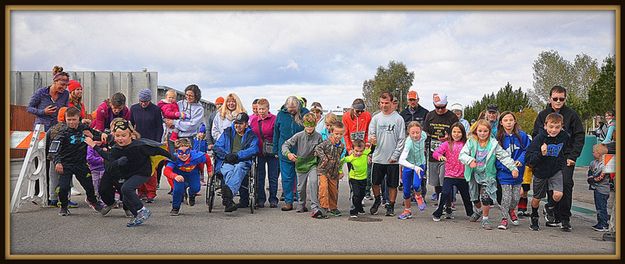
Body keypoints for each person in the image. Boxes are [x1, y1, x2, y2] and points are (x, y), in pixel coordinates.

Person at [85, 119, 172, 226]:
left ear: (130, 135)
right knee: (125, 196)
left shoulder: (138, 145)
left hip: (142, 172)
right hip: (123, 172)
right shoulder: (114, 145)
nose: (120, 138)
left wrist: (173, 158)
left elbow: (158, 150)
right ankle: (137, 216)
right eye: (117, 135)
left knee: (126, 189)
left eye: (123, 135)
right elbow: (107, 156)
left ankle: (142, 210)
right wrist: (94, 144)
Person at [531, 85, 584, 232]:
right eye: (555, 98)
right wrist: (540, 151)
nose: (558, 101)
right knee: (549, 187)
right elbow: (536, 134)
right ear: (550, 99)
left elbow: (579, 136)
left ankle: (564, 218)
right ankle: (551, 212)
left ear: (565, 99)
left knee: (566, 184)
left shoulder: (572, 115)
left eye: (561, 98)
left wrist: (573, 156)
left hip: (565, 157)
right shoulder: (542, 115)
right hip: (547, 156)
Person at [458, 119, 519, 230]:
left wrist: (513, 168)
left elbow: (504, 157)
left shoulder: (493, 144)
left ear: (489, 132)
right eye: (480, 131)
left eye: (485, 131)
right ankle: (478, 211)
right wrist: (470, 160)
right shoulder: (471, 142)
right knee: (474, 198)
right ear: (476, 131)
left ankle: (485, 219)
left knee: (485, 197)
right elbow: (462, 155)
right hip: (473, 173)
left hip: (488, 174)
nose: (482, 133)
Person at [51, 107, 104, 216]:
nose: (71, 122)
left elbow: (96, 135)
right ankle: (64, 207)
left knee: (89, 185)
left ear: (79, 118)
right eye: (68, 119)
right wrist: (57, 162)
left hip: (81, 164)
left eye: (74, 119)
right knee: (64, 187)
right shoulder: (62, 132)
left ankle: (93, 202)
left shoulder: (84, 128)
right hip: (66, 164)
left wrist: (101, 135)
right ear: (65, 119)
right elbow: (53, 149)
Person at [526, 113, 569, 231]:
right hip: (540, 172)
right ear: (545, 126)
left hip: (555, 171)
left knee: (558, 194)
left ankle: (549, 207)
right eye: (551, 127)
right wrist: (541, 153)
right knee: (536, 198)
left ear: (562, 126)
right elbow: (528, 159)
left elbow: (566, 150)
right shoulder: (539, 139)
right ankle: (534, 216)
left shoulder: (564, 136)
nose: (554, 130)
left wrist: (565, 160)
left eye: (557, 127)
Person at [368, 92, 406, 216]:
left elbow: (401, 139)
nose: (384, 105)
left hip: (392, 159)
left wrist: (395, 155)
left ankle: (391, 205)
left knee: (392, 184)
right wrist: (371, 140)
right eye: (382, 103)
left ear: (391, 103)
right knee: (375, 183)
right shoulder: (376, 118)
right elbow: (370, 135)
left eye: (386, 103)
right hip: (378, 157)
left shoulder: (398, 119)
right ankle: (378, 200)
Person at [213, 112, 259, 212]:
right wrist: (226, 155)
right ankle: (229, 199)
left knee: (239, 167)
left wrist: (238, 155)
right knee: (229, 170)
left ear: (246, 124)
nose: (237, 125)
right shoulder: (227, 132)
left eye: (241, 123)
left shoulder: (251, 135)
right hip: (227, 160)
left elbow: (254, 149)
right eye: (236, 123)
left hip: (242, 161)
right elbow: (217, 146)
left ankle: (228, 197)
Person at [431, 122, 474, 222]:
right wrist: (440, 156)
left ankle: (470, 213)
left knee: (466, 196)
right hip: (449, 174)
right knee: (445, 193)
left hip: (462, 175)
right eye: (454, 131)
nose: (456, 134)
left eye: (459, 132)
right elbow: (436, 152)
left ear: (463, 133)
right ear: (450, 133)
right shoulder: (447, 144)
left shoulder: (467, 144)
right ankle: (439, 212)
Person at [495, 111, 531, 230]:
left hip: (518, 173)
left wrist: (521, 161)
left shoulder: (522, 136)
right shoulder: (498, 137)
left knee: (516, 197)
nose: (509, 122)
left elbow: (527, 150)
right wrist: (506, 167)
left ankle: (511, 210)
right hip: (504, 173)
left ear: (515, 121)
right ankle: (504, 218)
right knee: (506, 197)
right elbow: (495, 155)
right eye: (505, 120)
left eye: (511, 120)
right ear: (501, 122)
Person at [282, 113, 323, 214]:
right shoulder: (298, 135)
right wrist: (289, 154)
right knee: (300, 187)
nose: (309, 128)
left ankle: (314, 206)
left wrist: (321, 164)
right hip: (300, 163)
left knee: (314, 182)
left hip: (312, 163)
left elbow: (322, 150)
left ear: (315, 124)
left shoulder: (318, 136)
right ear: (304, 125)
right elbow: (285, 145)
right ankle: (301, 204)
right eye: (307, 125)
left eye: (312, 125)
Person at [273, 96, 309, 211]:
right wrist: (275, 150)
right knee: (286, 178)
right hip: (284, 151)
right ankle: (288, 202)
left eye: (294, 108)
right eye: (290, 109)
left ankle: (301, 203)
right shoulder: (281, 115)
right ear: (286, 106)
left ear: (298, 106)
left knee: (301, 179)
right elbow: (276, 133)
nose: (292, 111)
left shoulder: (305, 114)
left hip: (301, 151)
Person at [423, 93, 459, 205]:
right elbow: (426, 131)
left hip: (448, 151)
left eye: (442, 107)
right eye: (437, 107)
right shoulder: (430, 115)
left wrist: (449, 137)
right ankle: (439, 199)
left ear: (446, 105)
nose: (439, 110)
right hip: (433, 150)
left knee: (445, 178)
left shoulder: (452, 116)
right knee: (435, 180)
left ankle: (448, 202)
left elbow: (458, 132)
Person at [130, 88, 165, 203]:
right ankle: (141, 192)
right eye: (141, 101)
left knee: (151, 169)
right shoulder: (134, 108)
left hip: (151, 142)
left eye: (145, 101)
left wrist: (157, 143)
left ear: (149, 100)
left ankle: (151, 192)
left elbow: (159, 127)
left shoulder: (155, 110)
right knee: (139, 167)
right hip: (138, 141)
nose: (143, 104)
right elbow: (131, 124)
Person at [163, 138, 213, 216]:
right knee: (178, 190)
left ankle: (191, 194)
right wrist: (175, 176)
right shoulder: (174, 159)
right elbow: (166, 171)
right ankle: (175, 207)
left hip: (193, 173)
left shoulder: (196, 156)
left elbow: (206, 157)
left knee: (196, 188)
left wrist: (209, 169)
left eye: (187, 152)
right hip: (179, 175)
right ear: (176, 152)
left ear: (190, 150)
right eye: (180, 152)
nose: (184, 155)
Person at [249, 98, 279, 208]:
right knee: (259, 177)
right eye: (259, 109)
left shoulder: (274, 119)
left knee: (273, 177)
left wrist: (277, 150)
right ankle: (260, 199)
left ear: (268, 108)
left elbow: (277, 136)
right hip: (259, 152)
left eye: (263, 109)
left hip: (272, 152)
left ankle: (273, 199)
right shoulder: (253, 120)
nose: (261, 111)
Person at [314, 122, 346, 218]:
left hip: (334, 171)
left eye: (341, 134)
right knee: (323, 187)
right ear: (332, 132)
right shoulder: (326, 143)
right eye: (336, 133)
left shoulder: (341, 146)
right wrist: (324, 158)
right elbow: (317, 148)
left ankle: (333, 207)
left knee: (333, 190)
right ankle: (323, 207)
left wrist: (340, 171)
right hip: (323, 170)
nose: (338, 136)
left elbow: (340, 159)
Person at [342, 99, 373, 199]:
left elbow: (368, 131)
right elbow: (345, 134)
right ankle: (353, 193)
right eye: (357, 111)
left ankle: (363, 193)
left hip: (363, 148)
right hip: (352, 149)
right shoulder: (346, 116)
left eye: (361, 111)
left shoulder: (367, 116)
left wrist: (367, 146)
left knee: (365, 172)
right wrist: (349, 149)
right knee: (352, 171)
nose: (360, 113)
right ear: (352, 109)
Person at [397, 121, 428, 220]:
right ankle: (407, 210)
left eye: (417, 132)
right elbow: (401, 160)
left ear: (421, 131)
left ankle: (419, 197)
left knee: (416, 185)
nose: (415, 135)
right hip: (409, 166)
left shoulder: (424, 135)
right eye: (412, 133)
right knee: (406, 191)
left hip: (420, 164)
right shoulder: (408, 143)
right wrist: (413, 167)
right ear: (408, 133)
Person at [27, 65, 70, 131]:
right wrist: (43, 112)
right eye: (62, 84)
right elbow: (29, 108)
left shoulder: (65, 94)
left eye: (66, 85)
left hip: (57, 129)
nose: (64, 88)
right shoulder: (41, 92)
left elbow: (66, 110)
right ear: (55, 81)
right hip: (41, 128)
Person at [341, 139, 371, 218]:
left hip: (363, 178)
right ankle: (354, 210)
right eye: (356, 151)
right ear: (353, 149)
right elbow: (342, 161)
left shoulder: (365, 153)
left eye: (360, 151)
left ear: (363, 150)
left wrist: (373, 143)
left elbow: (372, 149)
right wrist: (340, 171)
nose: (358, 153)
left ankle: (359, 207)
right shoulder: (351, 157)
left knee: (362, 194)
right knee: (356, 195)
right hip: (354, 178)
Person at [586, 144, 610, 232]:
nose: (592, 153)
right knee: (598, 206)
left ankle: (603, 223)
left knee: (601, 206)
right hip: (596, 188)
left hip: (603, 189)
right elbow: (590, 172)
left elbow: (601, 176)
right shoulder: (593, 163)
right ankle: (600, 222)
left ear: (599, 153)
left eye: (594, 152)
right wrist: (590, 178)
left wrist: (592, 179)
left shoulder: (605, 164)